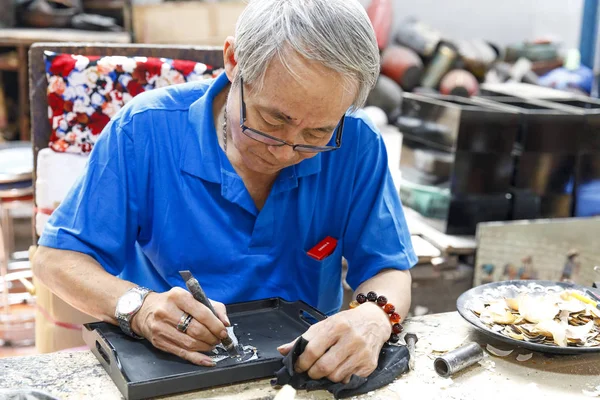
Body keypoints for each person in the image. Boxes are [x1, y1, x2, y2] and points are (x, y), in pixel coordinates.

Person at [33, 0, 416, 384]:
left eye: (317, 133)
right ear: (234, 61)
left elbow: (388, 266)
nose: (285, 151)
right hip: (173, 368)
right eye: (272, 119)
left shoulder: (357, 142)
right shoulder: (145, 130)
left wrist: (375, 316)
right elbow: (55, 260)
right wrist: (140, 307)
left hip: (306, 372)